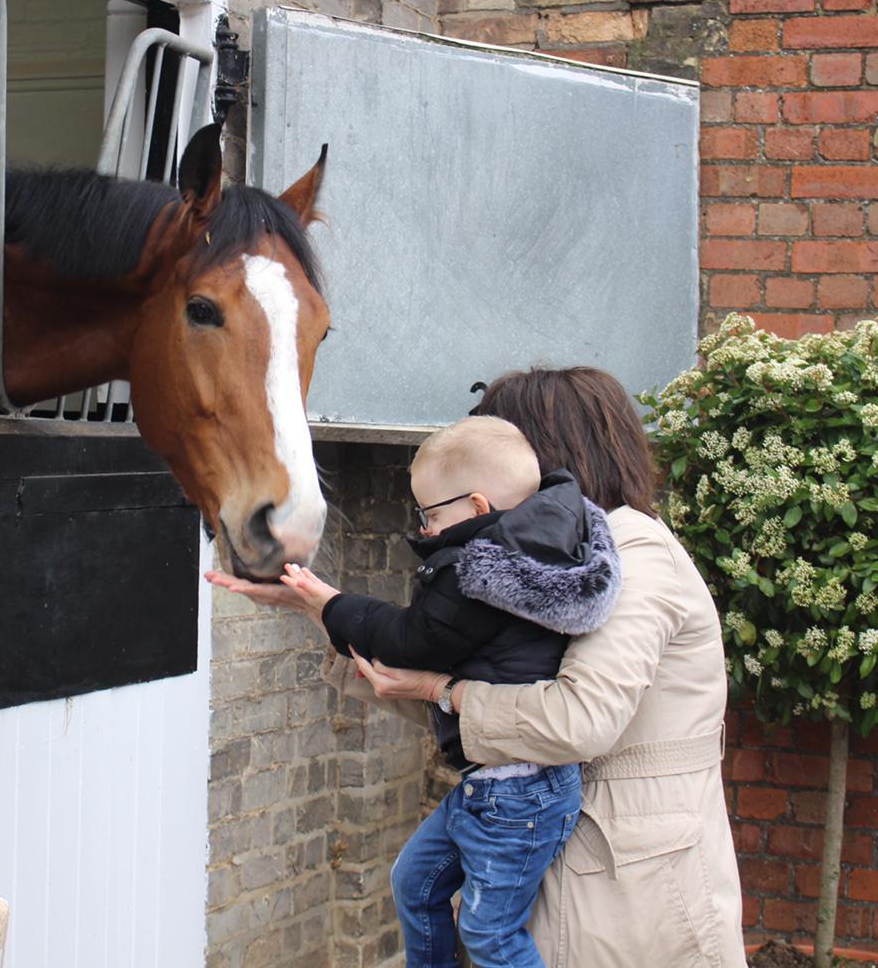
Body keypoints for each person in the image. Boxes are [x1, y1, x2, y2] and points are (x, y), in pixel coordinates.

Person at [340, 367, 747, 968]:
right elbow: (492, 714)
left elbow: (577, 720)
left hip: (630, 895)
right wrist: (325, 615)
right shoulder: (552, 561)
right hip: (567, 864)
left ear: (544, 455)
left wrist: (442, 690)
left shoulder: (631, 552)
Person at [210, 415, 622, 968]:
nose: (424, 528)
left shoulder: (482, 573)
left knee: (491, 935)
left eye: (430, 514)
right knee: (414, 882)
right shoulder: (520, 553)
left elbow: (412, 642)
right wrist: (318, 606)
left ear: (476, 507)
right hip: (496, 785)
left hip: (520, 795)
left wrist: (331, 604)